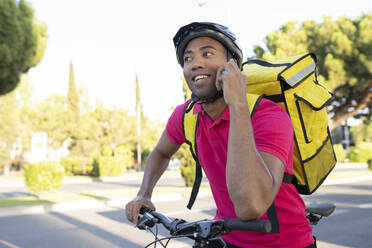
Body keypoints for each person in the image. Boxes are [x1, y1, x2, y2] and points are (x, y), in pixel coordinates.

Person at [125, 22, 315, 248]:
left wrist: (237, 103)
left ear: (232, 65)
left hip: (285, 242)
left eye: (207, 53)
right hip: (227, 237)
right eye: (188, 58)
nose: (195, 64)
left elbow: (250, 207)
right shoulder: (187, 116)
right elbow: (161, 152)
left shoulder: (267, 115)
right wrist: (143, 194)